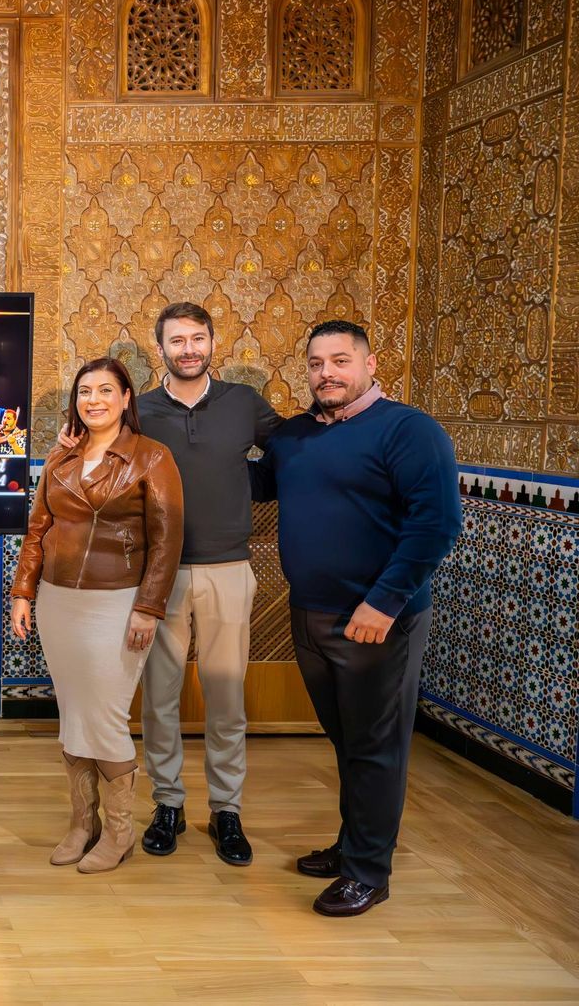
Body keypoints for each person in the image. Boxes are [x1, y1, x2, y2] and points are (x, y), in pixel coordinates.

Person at [252, 320, 460, 917]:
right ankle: (352, 846)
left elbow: (437, 524)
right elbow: (247, 483)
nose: (327, 374)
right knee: (347, 741)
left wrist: (384, 602)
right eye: (317, 363)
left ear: (370, 365)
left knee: (375, 746)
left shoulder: (409, 430)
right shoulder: (293, 436)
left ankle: (369, 871)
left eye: (341, 361)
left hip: (376, 621)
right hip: (309, 616)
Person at [62, 303, 283, 865]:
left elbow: (292, 454)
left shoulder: (243, 403)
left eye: (197, 338)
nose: (188, 349)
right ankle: (168, 804)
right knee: (159, 698)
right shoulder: (142, 412)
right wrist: (68, 445)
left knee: (226, 697)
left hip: (228, 569)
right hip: (155, 576)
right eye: (177, 340)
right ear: (159, 348)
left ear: (213, 342)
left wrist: (243, 483)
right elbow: (102, 457)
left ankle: (227, 810)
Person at [10, 357, 183, 874]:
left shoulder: (152, 457)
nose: (94, 400)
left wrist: (148, 607)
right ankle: (82, 824)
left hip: (118, 602)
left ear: (127, 398)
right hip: (58, 601)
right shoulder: (61, 458)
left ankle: (120, 832)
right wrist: (23, 592)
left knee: (105, 718)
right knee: (73, 716)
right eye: (85, 391)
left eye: (106, 390)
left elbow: (167, 541)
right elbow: (37, 530)